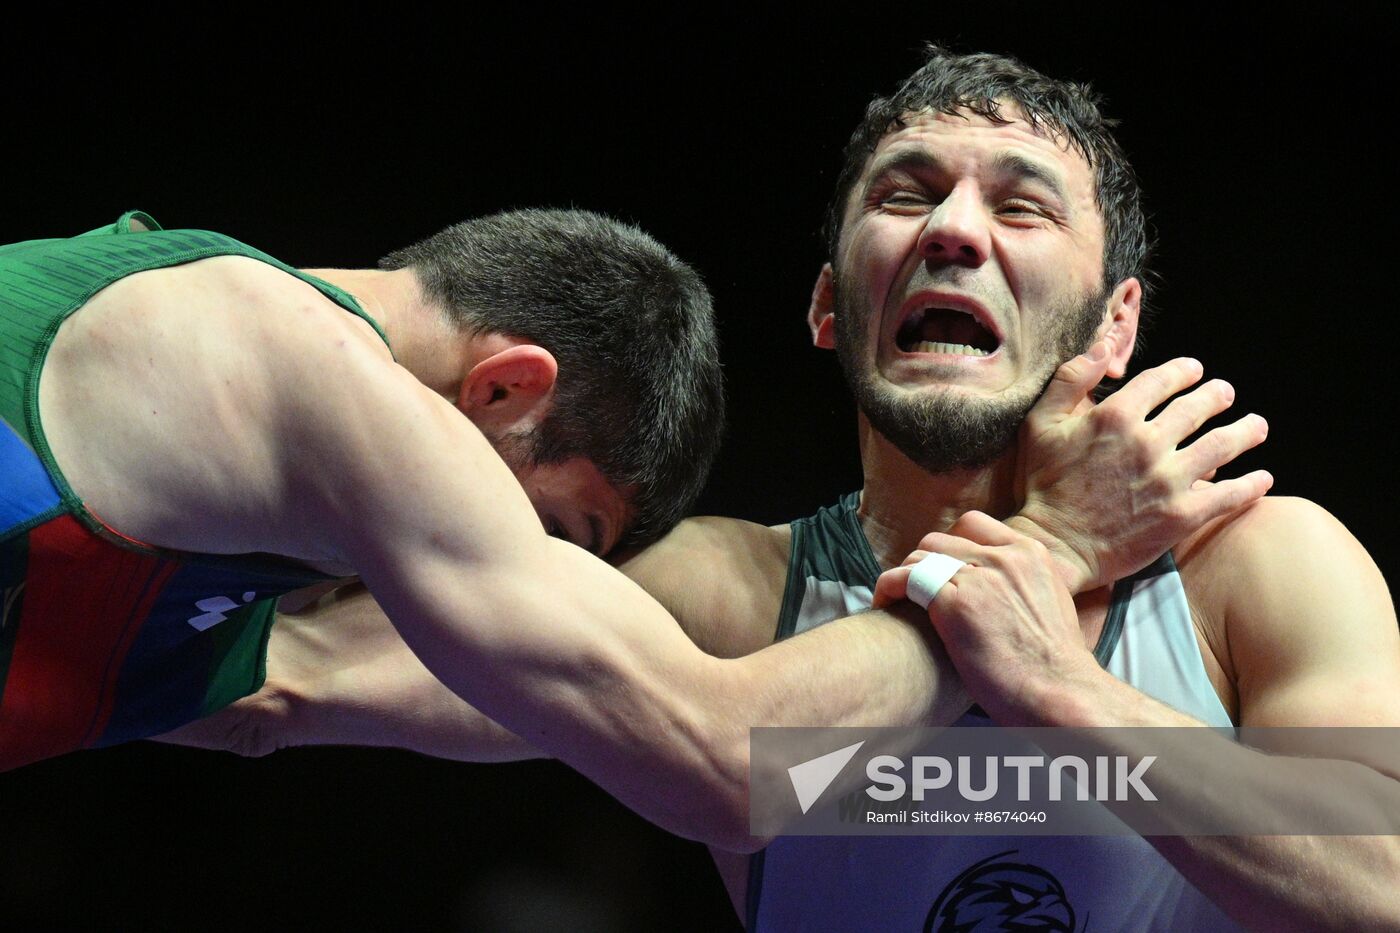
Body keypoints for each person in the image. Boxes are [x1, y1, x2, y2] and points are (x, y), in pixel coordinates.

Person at [175, 46, 1400, 929]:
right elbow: (277, 681)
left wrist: (1060, 694)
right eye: (906, 194)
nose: (954, 231)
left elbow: (1377, 886)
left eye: (1019, 205)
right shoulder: (720, 597)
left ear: (1113, 321)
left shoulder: (1255, 567)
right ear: (829, 304)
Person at [0, 199, 1238, 851]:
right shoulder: (295, 364)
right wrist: (1054, 550)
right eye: (552, 533)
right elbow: (722, 765)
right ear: (503, 390)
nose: (512, 576)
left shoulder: (199, 537)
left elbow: (301, 691)